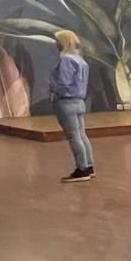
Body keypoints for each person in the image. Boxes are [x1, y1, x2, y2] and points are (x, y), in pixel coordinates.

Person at [49, 30, 94, 183]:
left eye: (57, 41)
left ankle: (82, 169)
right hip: (79, 101)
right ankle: (89, 166)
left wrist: (54, 91)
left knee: (74, 136)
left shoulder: (66, 60)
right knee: (81, 135)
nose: (55, 44)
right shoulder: (81, 61)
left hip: (66, 102)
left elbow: (63, 83)